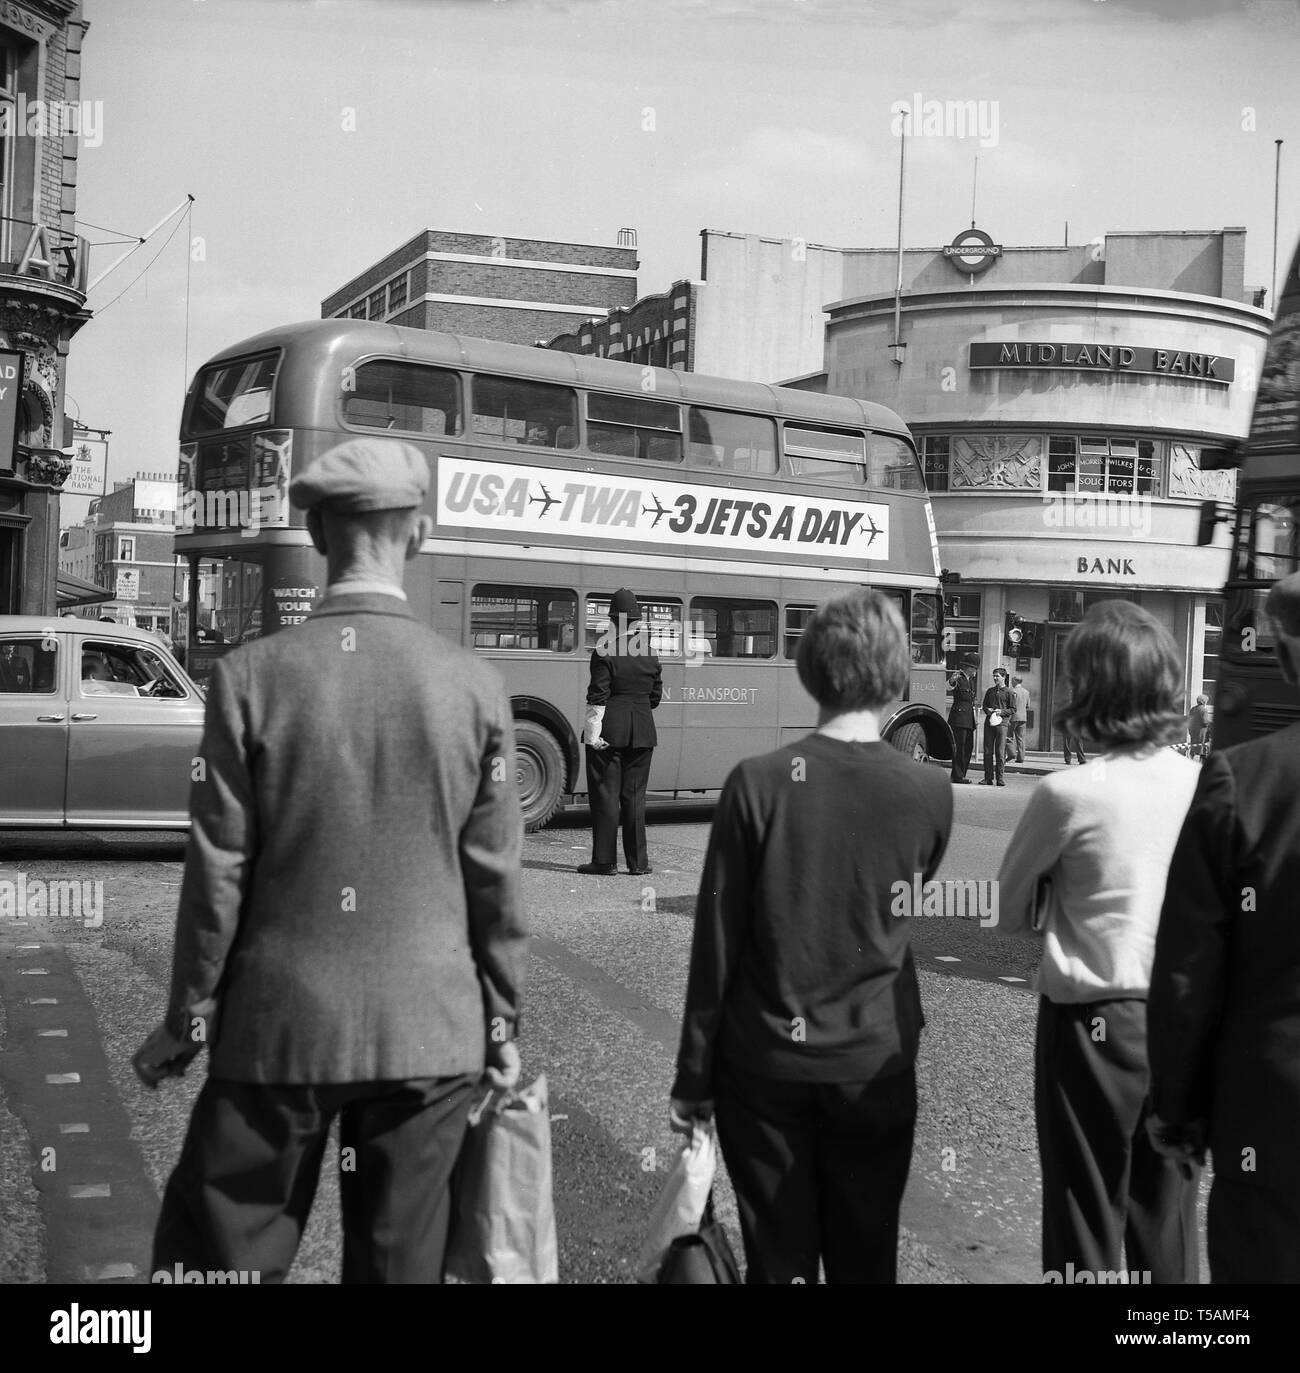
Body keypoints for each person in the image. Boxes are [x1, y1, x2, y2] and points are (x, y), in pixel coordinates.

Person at [132, 437, 528, 1284]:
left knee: (217, 1263)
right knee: (400, 1269)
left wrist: (187, 1018)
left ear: (315, 533)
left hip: (277, 1030)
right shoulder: (474, 687)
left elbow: (216, 874)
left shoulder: (250, 679)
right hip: (430, 1027)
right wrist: (500, 1020)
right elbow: (493, 885)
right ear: (416, 536)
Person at [669, 589, 953, 1283]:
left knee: (779, 1261)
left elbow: (718, 945)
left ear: (808, 668)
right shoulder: (928, 793)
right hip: (874, 1061)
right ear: (895, 675)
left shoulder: (754, 785)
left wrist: (692, 1081)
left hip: (764, 1068)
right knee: (866, 1259)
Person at [994, 600, 1201, 1284]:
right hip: (1183, 1018)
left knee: (1084, 1205)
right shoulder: (1207, 785)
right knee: (1166, 1212)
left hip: (1091, 1023)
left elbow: (1005, 910)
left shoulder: (1068, 793)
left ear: (1090, 688)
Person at [1146, 572, 1300, 1283]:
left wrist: (1177, 1111)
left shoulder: (1242, 779)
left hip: (1271, 1121)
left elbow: (1187, 972)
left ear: (1287, 657)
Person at [578, 587, 662, 876]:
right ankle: (638, 863)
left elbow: (597, 696)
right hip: (642, 733)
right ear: (637, 621)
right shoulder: (650, 653)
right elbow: (655, 698)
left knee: (605, 796)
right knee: (635, 798)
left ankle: (604, 862)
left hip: (609, 733)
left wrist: (592, 734)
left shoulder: (604, 650)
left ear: (613, 620)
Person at [980, 667, 1013, 786]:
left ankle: (1000, 778)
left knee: (1000, 752)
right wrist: (988, 710)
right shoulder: (990, 691)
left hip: (1002, 724)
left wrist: (1002, 712)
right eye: (994, 676)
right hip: (989, 724)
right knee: (988, 751)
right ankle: (988, 778)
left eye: (997, 676)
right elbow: (984, 705)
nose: (995, 678)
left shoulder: (1009, 692)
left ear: (1004, 677)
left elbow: (1013, 709)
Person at [946, 666, 976, 783]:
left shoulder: (971, 681)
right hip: (958, 718)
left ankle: (961, 774)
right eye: (975, 668)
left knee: (968, 747)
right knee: (960, 747)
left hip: (969, 718)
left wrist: (975, 717)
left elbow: (971, 702)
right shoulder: (958, 678)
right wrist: (952, 680)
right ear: (970, 668)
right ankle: (957, 776)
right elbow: (948, 686)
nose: (976, 671)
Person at [1007, 676, 1031, 764]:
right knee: (1021, 738)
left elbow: (1009, 705)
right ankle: (1021, 757)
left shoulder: (1012, 691)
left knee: (1009, 736)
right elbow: (1028, 705)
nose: (1011, 682)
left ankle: (1011, 754)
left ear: (1015, 681)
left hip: (1012, 717)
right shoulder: (1026, 692)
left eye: (1012, 681)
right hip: (1023, 717)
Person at [1185, 692, 1213, 760]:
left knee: (1193, 749)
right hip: (1202, 733)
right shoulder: (1204, 710)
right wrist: (1211, 723)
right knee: (1203, 750)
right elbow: (1205, 722)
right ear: (1204, 701)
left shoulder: (1193, 709)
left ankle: (1190, 762)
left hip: (1194, 732)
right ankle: (1202, 765)